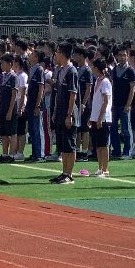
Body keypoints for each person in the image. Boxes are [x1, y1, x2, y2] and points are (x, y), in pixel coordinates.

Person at [47, 43, 81, 185]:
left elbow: (73, 95)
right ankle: (64, 172)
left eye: (57, 52)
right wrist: (55, 112)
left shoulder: (71, 71)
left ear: (62, 54)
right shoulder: (60, 70)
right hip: (60, 112)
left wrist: (69, 115)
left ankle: (69, 175)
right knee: (63, 145)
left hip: (68, 112)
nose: (55, 55)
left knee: (69, 144)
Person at [87, 57, 114, 178]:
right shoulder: (97, 80)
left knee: (104, 144)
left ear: (97, 68)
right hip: (95, 116)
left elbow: (106, 101)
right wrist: (92, 117)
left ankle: (105, 169)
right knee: (97, 144)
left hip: (103, 117)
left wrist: (100, 118)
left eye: (93, 66)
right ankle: (99, 168)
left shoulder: (105, 82)